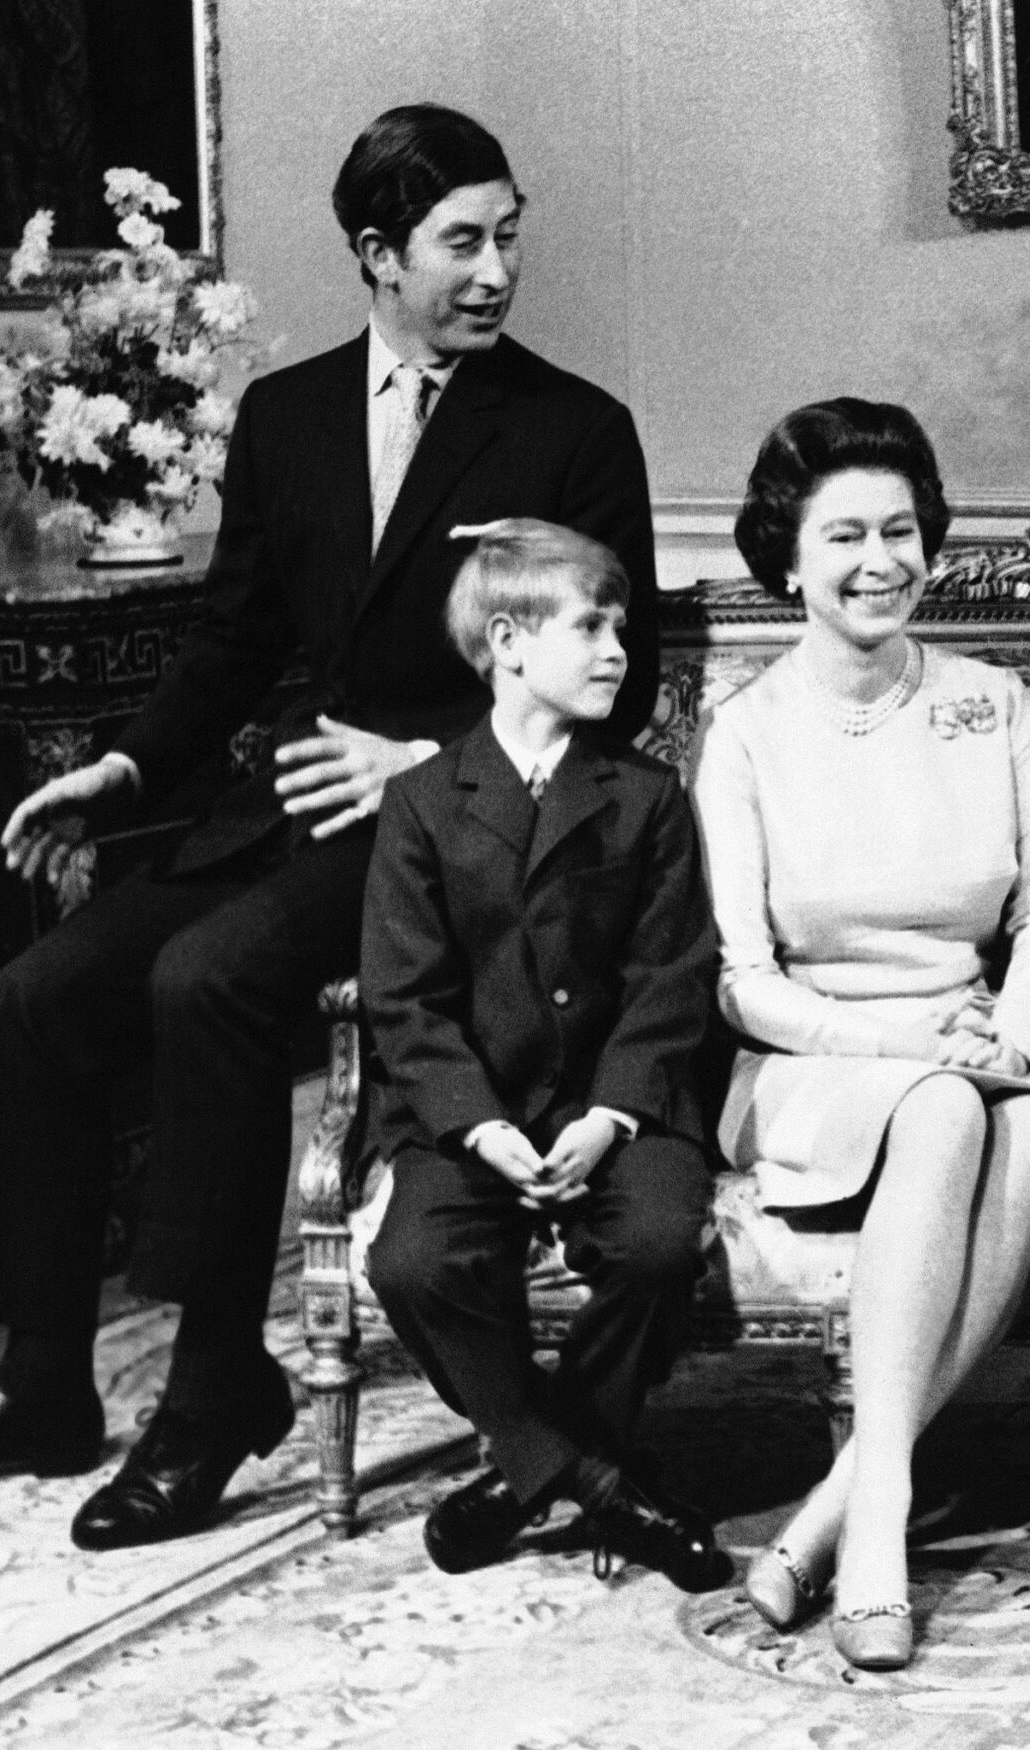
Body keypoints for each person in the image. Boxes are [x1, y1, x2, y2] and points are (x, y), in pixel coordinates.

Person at [0, 105, 660, 1551]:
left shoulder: (573, 431)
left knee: (208, 976)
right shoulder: (288, 416)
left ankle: (215, 1385)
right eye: (462, 243)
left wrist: (425, 757)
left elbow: (626, 683)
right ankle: (43, 1378)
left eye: (507, 236)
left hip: (464, 835)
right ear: (375, 252)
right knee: (27, 998)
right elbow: (229, 642)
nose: (496, 270)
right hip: (287, 813)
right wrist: (118, 769)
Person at [697, 399, 1030, 1672]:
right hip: (809, 1065)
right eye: (847, 535)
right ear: (788, 558)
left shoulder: (992, 699)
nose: (882, 561)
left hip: (978, 1048)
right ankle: (878, 1535)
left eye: (903, 530)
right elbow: (739, 981)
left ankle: (826, 1513)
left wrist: (1015, 1035)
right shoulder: (746, 732)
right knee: (942, 1106)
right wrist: (904, 1046)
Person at [359, 520, 724, 1592]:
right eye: (592, 625)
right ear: (508, 642)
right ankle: (595, 1479)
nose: (618, 648)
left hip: (616, 1104)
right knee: (410, 1262)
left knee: (659, 1240)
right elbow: (404, 997)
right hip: (466, 1112)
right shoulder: (422, 802)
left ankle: (526, 1471)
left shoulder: (645, 795)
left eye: (622, 625)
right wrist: (478, 1124)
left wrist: (612, 1112)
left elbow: (672, 976)